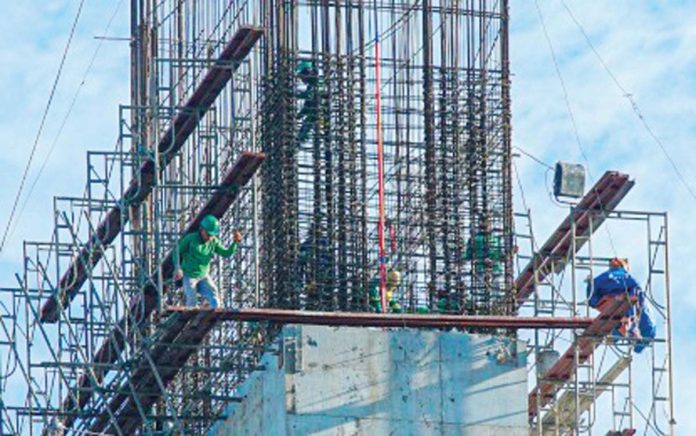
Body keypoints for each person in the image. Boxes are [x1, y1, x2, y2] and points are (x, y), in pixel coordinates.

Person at [586, 257, 656, 352]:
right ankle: (629, 326)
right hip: (618, 302)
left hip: (603, 300)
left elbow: (590, 295)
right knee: (632, 300)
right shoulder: (626, 278)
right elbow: (637, 294)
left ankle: (625, 327)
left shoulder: (602, 278)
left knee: (625, 311)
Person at [175, 214, 242, 308]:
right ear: (202, 230)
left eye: (212, 235)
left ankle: (214, 320)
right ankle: (190, 321)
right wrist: (178, 268)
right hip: (189, 275)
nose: (210, 237)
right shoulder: (191, 239)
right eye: (209, 234)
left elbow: (226, 253)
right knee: (192, 300)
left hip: (203, 275)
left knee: (214, 295)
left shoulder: (213, 241)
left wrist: (235, 243)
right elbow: (176, 252)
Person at [296, 60, 324, 144]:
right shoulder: (311, 86)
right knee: (303, 131)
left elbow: (310, 95)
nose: (301, 79)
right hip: (314, 113)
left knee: (307, 130)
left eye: (302, 76)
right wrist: (300, 115)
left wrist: (295, 94)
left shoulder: (318, 83)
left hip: (320, 113)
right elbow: (307, 105)